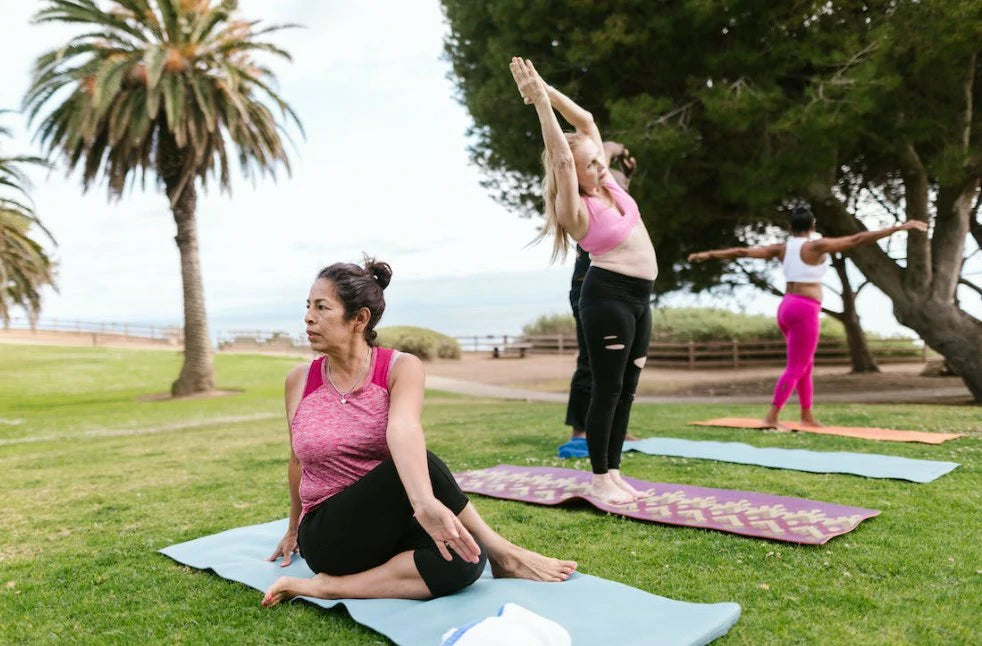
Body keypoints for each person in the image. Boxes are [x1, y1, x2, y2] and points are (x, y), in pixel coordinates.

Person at [262, 258, 577, 607]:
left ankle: (327, 588)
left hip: (390, 526)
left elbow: (404, 428)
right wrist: (292, 530)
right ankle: (502, 550)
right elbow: (297, 461)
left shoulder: (400, 368)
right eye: (308, 306)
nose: (308, 317)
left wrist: (424, 505)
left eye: (322, 307)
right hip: (330, 534)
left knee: (466, 557)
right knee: (415, 468)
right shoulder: (299, 380)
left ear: (360, 318)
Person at [510, 57, 658, 505]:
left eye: (598, 160)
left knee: (627, 389)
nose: (600, 166)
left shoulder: (612, 187)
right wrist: (539, 106)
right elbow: (559, 155)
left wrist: (545, 87)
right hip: (607, 296)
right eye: (590, 164)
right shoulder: (575, 212)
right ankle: (598, 478)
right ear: (572, 176)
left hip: (640, 297)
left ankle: (613, 471)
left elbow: (586, 120)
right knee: (607, 388)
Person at [687, 205, 928, 428]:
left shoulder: (781, 249)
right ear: (812, 225)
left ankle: (807, 416)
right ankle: (771, 417)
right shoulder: (815, 246)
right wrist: (898, 228)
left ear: (791, 227)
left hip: (786, 307)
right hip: (805, 309)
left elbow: (742, 251)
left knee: (805, 366)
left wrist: (707, 255)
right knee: (796, 367)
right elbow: (856, 239)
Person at [558, 142, 640, 459]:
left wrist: (627, 173)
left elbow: (620, 192)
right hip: (588, 284)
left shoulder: (616, 204)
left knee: (620, 362)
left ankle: (617, 425)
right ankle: (579, 430)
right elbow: (599, 161)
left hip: (616, 286)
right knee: (591, 361)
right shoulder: (583, 201)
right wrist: (614, 148)